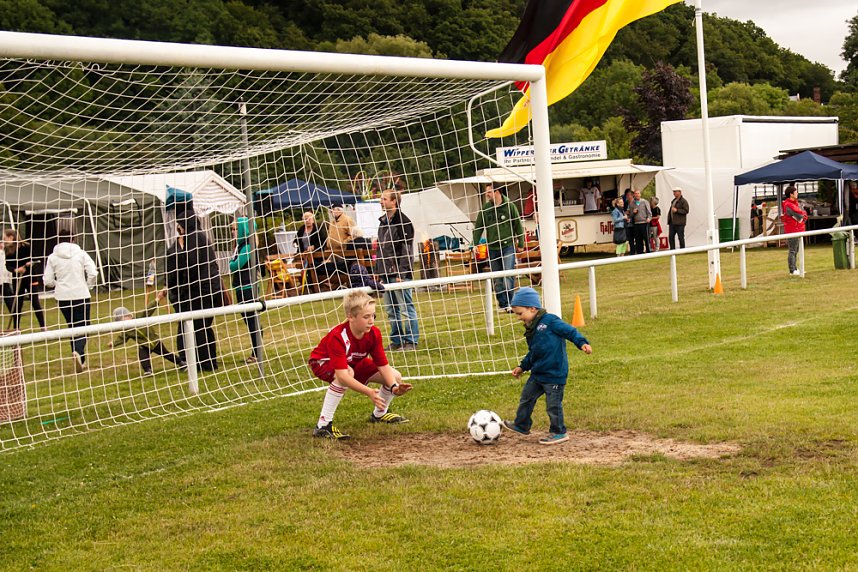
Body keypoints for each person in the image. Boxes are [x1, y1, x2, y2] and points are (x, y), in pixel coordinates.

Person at [308, 290, 413, 440]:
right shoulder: (338, 336)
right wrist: (369, 392)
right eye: (366, 317)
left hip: (352, 362)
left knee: (395, 376)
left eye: (373, 315)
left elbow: (382, 365)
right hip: (322, 362)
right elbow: (343, 376)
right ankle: (323, 426)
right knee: (347, 373)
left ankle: (379, 414)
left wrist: (394, 387)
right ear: (350, 317)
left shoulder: (374, 333)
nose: (371, 320)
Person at [502, 287, 592, 445]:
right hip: (538, 374)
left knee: (553, 405)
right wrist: (522, 367)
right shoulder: (531, 329)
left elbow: (570, 331)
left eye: (520, 313)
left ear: (532, 308)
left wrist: (582, 343)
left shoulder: (550, 321)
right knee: (526, 398)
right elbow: (533, 352)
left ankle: (559, 432)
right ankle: (522, 425)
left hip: (554, 374)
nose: (518, 318)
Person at [166, 204, 224, 372]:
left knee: (198, 327)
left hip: (201, 292)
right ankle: (206, 361)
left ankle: (202, 362)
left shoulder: (194, 239)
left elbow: (190, 266)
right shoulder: (201, 238)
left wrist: (179, 290)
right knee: (203, 326)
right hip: (209, 290)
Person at [43, 229, 97, 372]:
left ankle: (79, 358)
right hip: (81, 294)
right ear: (73, 239)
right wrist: (89, 285)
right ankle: (78, 353)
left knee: (72, 327)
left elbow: (47, 280)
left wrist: (58, 284)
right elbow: (93, 272)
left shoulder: (52, 257)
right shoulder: (81, 253)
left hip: (63, 297)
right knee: (84, 327)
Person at [376, 188, 418, 350]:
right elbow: (381, 248)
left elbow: (407, 250)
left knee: (406, 307)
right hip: (385, 272)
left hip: (399, 273)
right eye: (381, 198)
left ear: (394, 201)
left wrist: (402, 272)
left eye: (384, 198)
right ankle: (396, 340)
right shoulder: (382, 221)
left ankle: (411, 341)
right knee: (391, 310)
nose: (381, 201)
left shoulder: (404, 222)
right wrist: (378, 271)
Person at [472, 183, 524, 312]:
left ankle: (511, 304)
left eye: (489, 192)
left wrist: (521, 244)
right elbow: (478, 227)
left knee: (508, 275)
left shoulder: (510, 206)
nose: (487, 194)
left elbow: (518, 225)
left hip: (508, 247)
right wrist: (474, 244)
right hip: (493, 248)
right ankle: (502, 304)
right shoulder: (485, 209)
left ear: (497, 192)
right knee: (497, 278)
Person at [108, 289, 185, 375]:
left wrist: (158, 299)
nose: (122, 322)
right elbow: (122, 338)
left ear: (128, 315)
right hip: (143, 344)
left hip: (154, 341)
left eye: (122, 319)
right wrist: (113, 343)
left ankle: (181, 363)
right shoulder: (127, 329)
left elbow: (149, 309)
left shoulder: (139, 316)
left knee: (166, 354)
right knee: (143, 357)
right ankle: (148, 370)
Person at [229, 217, 263, 365]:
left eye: (236, 229)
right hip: (241, 286)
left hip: (248, 288)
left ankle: (256, 353)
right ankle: (256, 351)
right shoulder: (240, 245)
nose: (233, 232)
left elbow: (234, 265)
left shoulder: (248, 247)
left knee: (252, 321)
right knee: (248, 320)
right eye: (232, 229)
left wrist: (231, 263)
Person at [3, 228, 47, 331]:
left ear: (11, 237)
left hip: (30, 278)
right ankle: (16, 328)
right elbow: (8, 266)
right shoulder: (8, 250)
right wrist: (16, 270)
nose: (3, 240)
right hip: (18, 280)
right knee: (18, 304)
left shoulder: (26, 247)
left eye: (5, 238)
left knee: (35, 302)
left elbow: (36, 259)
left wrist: (30, 263)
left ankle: (43, 327)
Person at [294, 210, 329, 289]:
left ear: (313, 219)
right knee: (304, 269)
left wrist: (314, 246)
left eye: (309, 218)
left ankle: (313, 286)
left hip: (316, 255)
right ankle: (308, 286)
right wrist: (294, 243)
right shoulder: (301, 229)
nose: (307, 220)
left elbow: (323, 241)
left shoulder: (318, 228)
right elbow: (296, 239)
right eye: (305, 219)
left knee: (313, 269)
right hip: (304, 255)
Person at [782, 185, 807, 276]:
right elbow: (800, 216)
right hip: (792, 230)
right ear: (791, 194)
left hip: (798, 229)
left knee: (796, 250)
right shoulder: (788, 205)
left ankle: (796, 268)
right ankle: (792, 270)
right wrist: (803, 216)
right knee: (793, 250)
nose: (797, 194)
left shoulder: (794, 204)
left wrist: (803, 215)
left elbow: (802, 215)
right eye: (796, 192)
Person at [628, 189, 652, 255]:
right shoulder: (632, 203)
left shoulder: (645, 202)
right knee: (638, 240)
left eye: (638, 193)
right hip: (636, 224)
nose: (637, 195)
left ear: (640, 194)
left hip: (644, 222)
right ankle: (640, 253)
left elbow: (649, 212)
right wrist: (633, 212)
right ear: (634, 195)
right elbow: (630, 215)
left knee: (646, 238)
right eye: (635, 194)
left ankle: (648, 251)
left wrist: (649, 218)